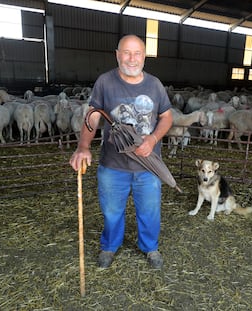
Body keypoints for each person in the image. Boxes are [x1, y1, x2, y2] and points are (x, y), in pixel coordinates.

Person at [69, 34, 173, 269]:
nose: (132, 58)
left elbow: (167, 116)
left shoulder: (155, 84)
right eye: (126, 52)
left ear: (144, 57)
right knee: (112, 210)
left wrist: (154, 137)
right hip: (113, 164)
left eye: (137, 53)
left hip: (148, 165)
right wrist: (83, 147)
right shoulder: (105, 82)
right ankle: (110, 245)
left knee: (149, 210)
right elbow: (93, 116)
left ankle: (149, 247)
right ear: (117, 55)